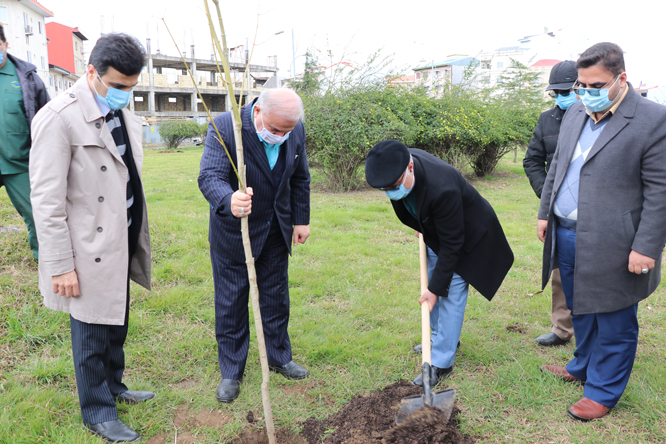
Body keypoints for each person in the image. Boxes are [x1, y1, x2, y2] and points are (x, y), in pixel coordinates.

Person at [30, 33, 152, 442]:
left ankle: (114, 387)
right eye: (118, 86)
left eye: (132, 87)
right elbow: (45, 203)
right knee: (91, 330)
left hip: (121, 235)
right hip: (85, 247)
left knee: (115, 322)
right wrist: (60, 265)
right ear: (92, 73)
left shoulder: (120, 111)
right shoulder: (58, 117)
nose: (125, 94)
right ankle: (97, 411)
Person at [537, 42, 666, 421]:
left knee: (613, 317)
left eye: (596, 85)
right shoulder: (577, 111)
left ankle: (603, 390)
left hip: (617, 241)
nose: (586, 92)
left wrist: (647, 247)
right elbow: (558, 166)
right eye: (581, 84)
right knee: (581, 307)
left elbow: (661, 191)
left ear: (621, 79)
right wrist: (546, 213)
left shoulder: (653, 120)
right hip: (568, 232)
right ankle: (582, 365)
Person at [365, 140, 514, 387]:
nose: (390, 192)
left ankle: (441, 362)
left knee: (450, 290)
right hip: (437, 231)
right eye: (385, 189)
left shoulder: (442, 188)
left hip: (468, 237)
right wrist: (419, 224)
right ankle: (436, 338)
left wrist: (435, 291)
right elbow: (409, 203)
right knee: (433, 281)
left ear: (410, 167)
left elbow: (452, 245)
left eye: (394, 186)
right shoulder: (396, 164)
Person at [198, 88, 311, 403]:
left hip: (277, 229)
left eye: (287, 131)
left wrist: (301, 219)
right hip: (236, 231)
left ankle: (278, 356)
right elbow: (210, 176)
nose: (281, 136)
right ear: (258, 111)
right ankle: (232, 371)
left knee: (276, 297)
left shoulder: (293, 127)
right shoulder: (225, 126)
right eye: (275, 130)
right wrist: (228, 199)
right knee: (232, 302)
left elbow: (300, 178)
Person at [523, 60, 578, 347]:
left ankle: (595, 329)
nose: (560, 97)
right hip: (559, 211)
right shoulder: (547, 120)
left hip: (594, 209)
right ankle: (561, 328)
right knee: (560, 270)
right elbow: (532, 160)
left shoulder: (599, 118)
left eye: (565, 91)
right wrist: (547, 194)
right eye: (555, 93)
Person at [0, 23, 49, 260]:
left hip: (20, 163)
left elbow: (47, 119)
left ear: (6, 45)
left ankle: (48, 260)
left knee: (38, 213)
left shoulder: (28, 78)